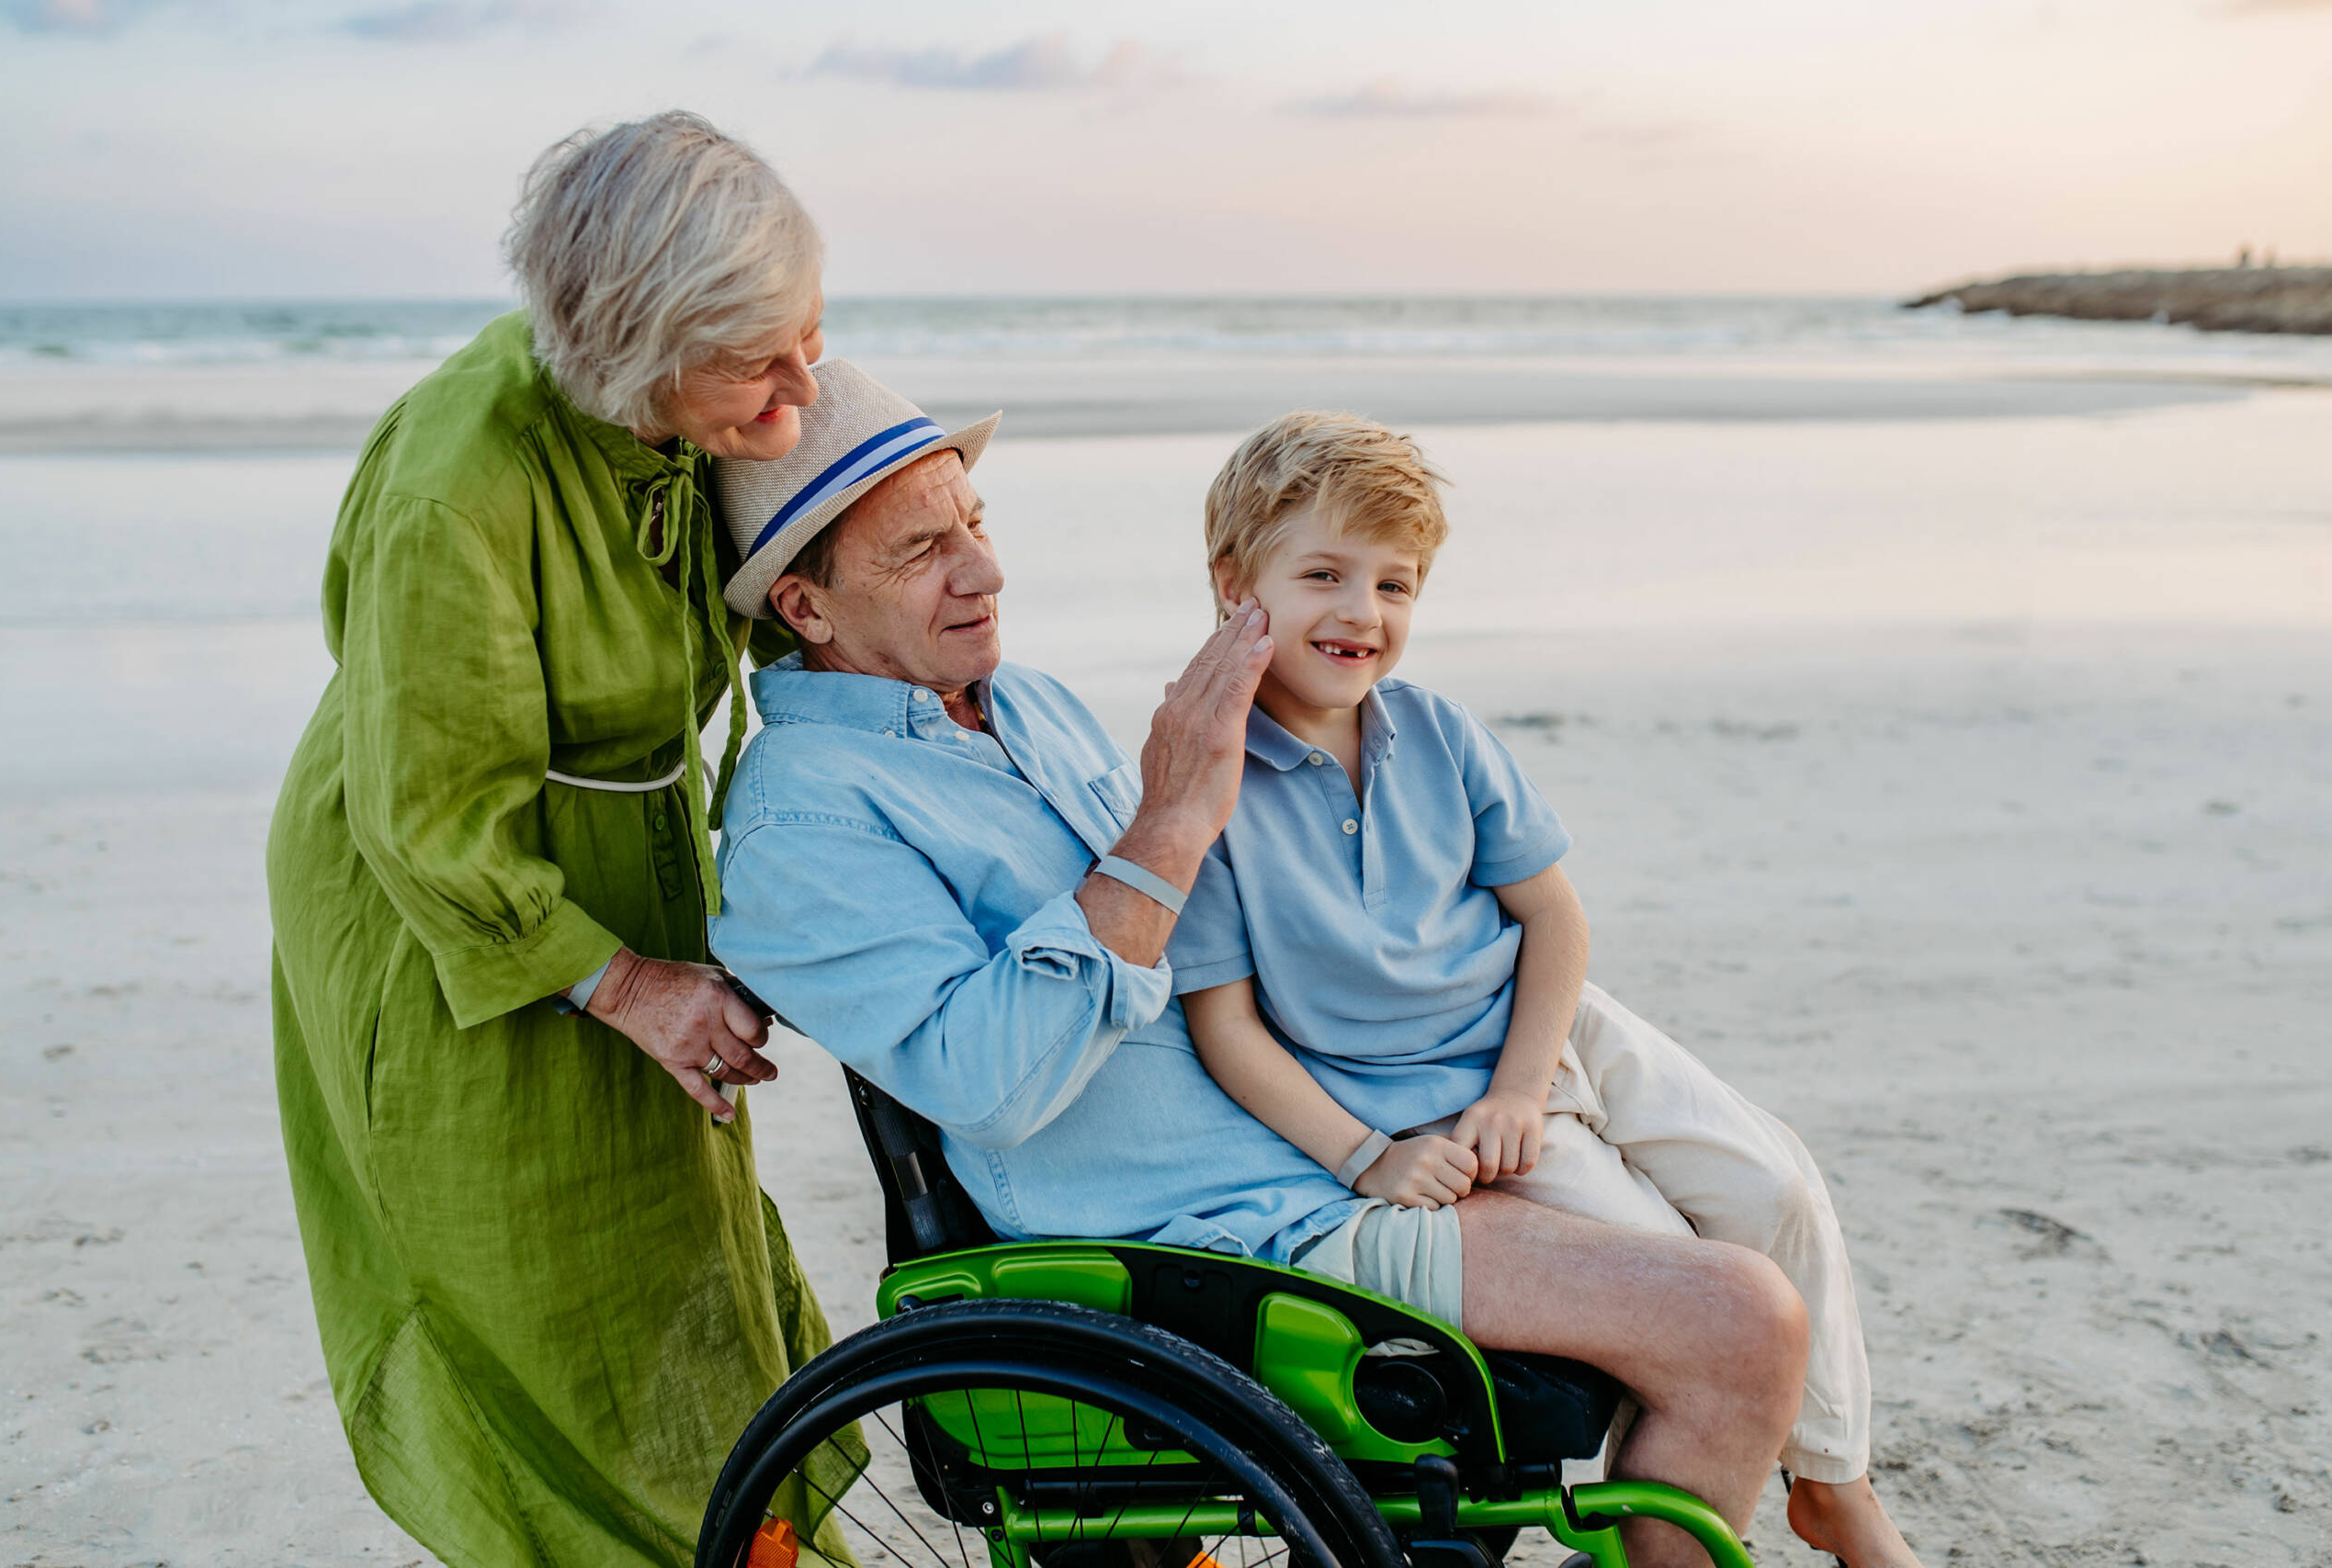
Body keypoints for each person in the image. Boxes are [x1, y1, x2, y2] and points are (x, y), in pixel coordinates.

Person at [707, 362, 1811, 1568]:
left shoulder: (1024, 703)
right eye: (923, 549)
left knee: (1742, 1195)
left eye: (977, 521)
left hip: (1337, 1135)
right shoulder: (800, 825)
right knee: (1741, 1318)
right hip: (1222, 1236)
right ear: (806, 608)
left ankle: (1840, 1485)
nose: (985, 569)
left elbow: (1223, 927)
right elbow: (992, 1082)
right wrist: (1168, 821)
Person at [1166, 410, 1923, 1568]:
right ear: (1234, 585)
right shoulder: (1206, 783)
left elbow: (1553, 916)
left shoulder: (1436, 732)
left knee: (1774, 1184)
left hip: (1553, 1028)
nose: (1362, 613)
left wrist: (1529, 1084)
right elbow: (1223, 1025)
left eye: (1394, 584)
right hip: (1423, 1096)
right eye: (1322, 574)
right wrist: (1366, 1156)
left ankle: (1832, 1483)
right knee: (1686, 1290)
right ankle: (1640, 1537)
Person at [266, 113, 861, 1568]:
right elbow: (429, 812)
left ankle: (744, 1528)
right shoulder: (456, 483)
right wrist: (630, 984)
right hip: (453, 907)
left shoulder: (709, 391)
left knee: (687, 1242)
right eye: (756, 359)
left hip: (621, 851)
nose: (802, 385)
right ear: (633, 341)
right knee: (537, 1279)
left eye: (811, 334)